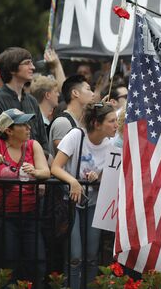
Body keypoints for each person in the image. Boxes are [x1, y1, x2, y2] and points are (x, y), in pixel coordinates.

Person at [50, 102, 118, 289]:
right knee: (74, 256)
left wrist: (98, 177)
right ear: (97, 123)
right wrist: (73, 181)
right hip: (71, 203)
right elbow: (55, 167)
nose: (116, 125)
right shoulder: (76, 135)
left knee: (91, 256)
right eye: (111, 121)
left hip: (94, 203)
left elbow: (110, 175)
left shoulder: (111, 144)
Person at [0, 108, 50, 284]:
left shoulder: (33, 145)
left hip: (31, 214)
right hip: (4, 216)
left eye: (28, 124)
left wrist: (35, 171)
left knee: (38, 261)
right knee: (8, 263)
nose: (28, 128)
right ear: (9, 130)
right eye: (23, 125)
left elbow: (46, 172)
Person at [0, 47, 49, 153]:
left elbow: (43, 140)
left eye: (31, 63)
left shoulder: (32, 100)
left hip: (37, 166)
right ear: (12, 69)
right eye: (27, 63)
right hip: (10, 166)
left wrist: (41, 160)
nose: (32, 67)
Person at [48, 75, 94, 157]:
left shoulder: (80, 122)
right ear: (75, 93)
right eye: (88, 89)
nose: (93, 94)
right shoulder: (63, 123)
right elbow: (65, 159)